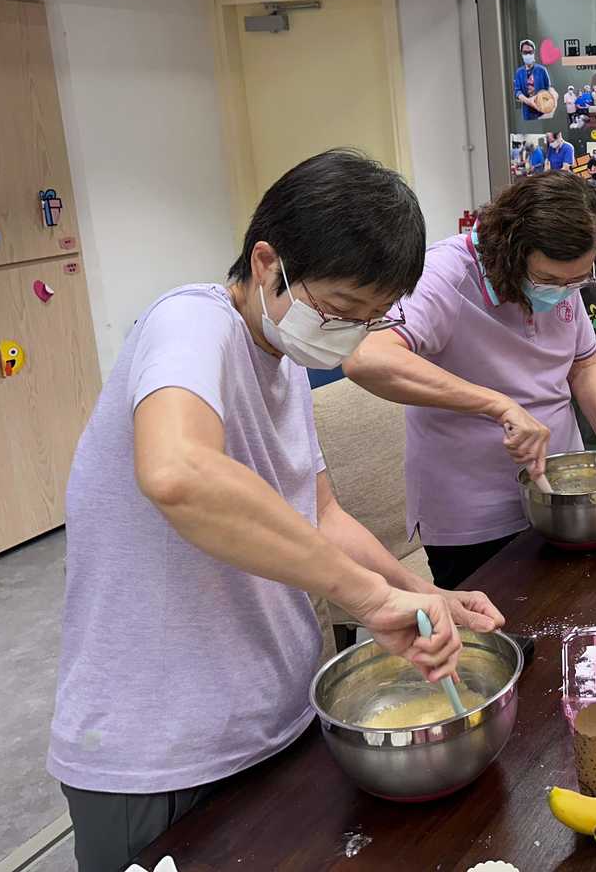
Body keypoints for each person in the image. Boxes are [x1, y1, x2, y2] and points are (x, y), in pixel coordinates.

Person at [49, 151, 503, 871]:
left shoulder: (283, 366)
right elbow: (178, 473)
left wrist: (422, 591)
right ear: (268, 264)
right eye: (340, 311)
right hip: (161, 754)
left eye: (371, 319)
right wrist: (367, 596)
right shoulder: (190, 326)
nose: (350, 335)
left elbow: (320, 513)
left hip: (276, 720)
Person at [343, 171, 596, 590]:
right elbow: (368, 359)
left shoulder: (564, 278)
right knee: (498, 634)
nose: (563, 292)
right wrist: (497, 404)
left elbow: (583, 363)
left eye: (575, 280)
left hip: (565, 495)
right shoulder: (443, 276)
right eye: (548, 280)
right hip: (475, 514)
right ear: (509, 250)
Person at [512, 38, 552, 121]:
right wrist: (528, 101)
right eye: (525, 53)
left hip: (542, 111)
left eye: (530, 52)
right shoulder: (519, 72)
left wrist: (539, 100)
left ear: (534, 52)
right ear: (521, 53)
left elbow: (547, 88)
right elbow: (517, 91)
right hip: (527, 113)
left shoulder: (542, 70)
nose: (527, 55)